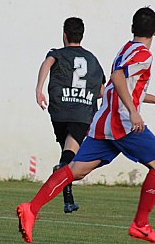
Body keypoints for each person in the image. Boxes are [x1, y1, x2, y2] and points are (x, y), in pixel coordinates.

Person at [17, 6, 155, 244]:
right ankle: (140, 224)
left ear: (132, 28)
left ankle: (31, 208)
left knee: (75, 170)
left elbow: (116, 84)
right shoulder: (144, 55)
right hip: (122, 123)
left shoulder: (125, 49)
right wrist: (133, 112)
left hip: (103, 122)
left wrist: (154, 100)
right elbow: (120, 78)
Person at [35, 17, 105, 213]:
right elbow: (101, 91)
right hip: (81, 113)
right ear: (81, 35)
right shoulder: (92, 60)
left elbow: (47, 62)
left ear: (64, 35)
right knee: (69, 161)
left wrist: (39, 88)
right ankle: (59, 177)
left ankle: (68, 199)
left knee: (67, 154)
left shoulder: (57, 53)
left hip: (59, 113)